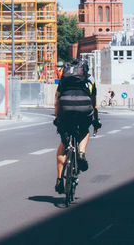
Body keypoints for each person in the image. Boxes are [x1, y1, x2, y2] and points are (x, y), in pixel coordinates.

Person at [53, 60, 102, 194]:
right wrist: (95, 121)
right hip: (84, 108)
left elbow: (57, 99)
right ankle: (81, 153)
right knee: (85, 131)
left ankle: (59, 180)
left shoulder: (64, 78)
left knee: (63, 145)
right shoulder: (90, 79)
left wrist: (57, 117)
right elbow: (94, 103)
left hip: (65, 108)